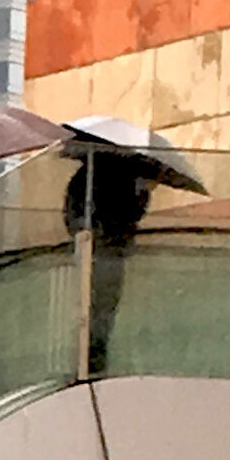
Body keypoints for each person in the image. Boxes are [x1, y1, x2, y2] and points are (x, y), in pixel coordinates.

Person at [61, 149, 155, 377]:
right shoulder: (121, 178)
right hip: (108, 251)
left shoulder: (83, 178)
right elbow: (131, 214)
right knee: (102, 309)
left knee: (92, 310)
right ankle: (94, 360)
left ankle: (88, 360)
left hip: (96, 250)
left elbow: (71, 216)